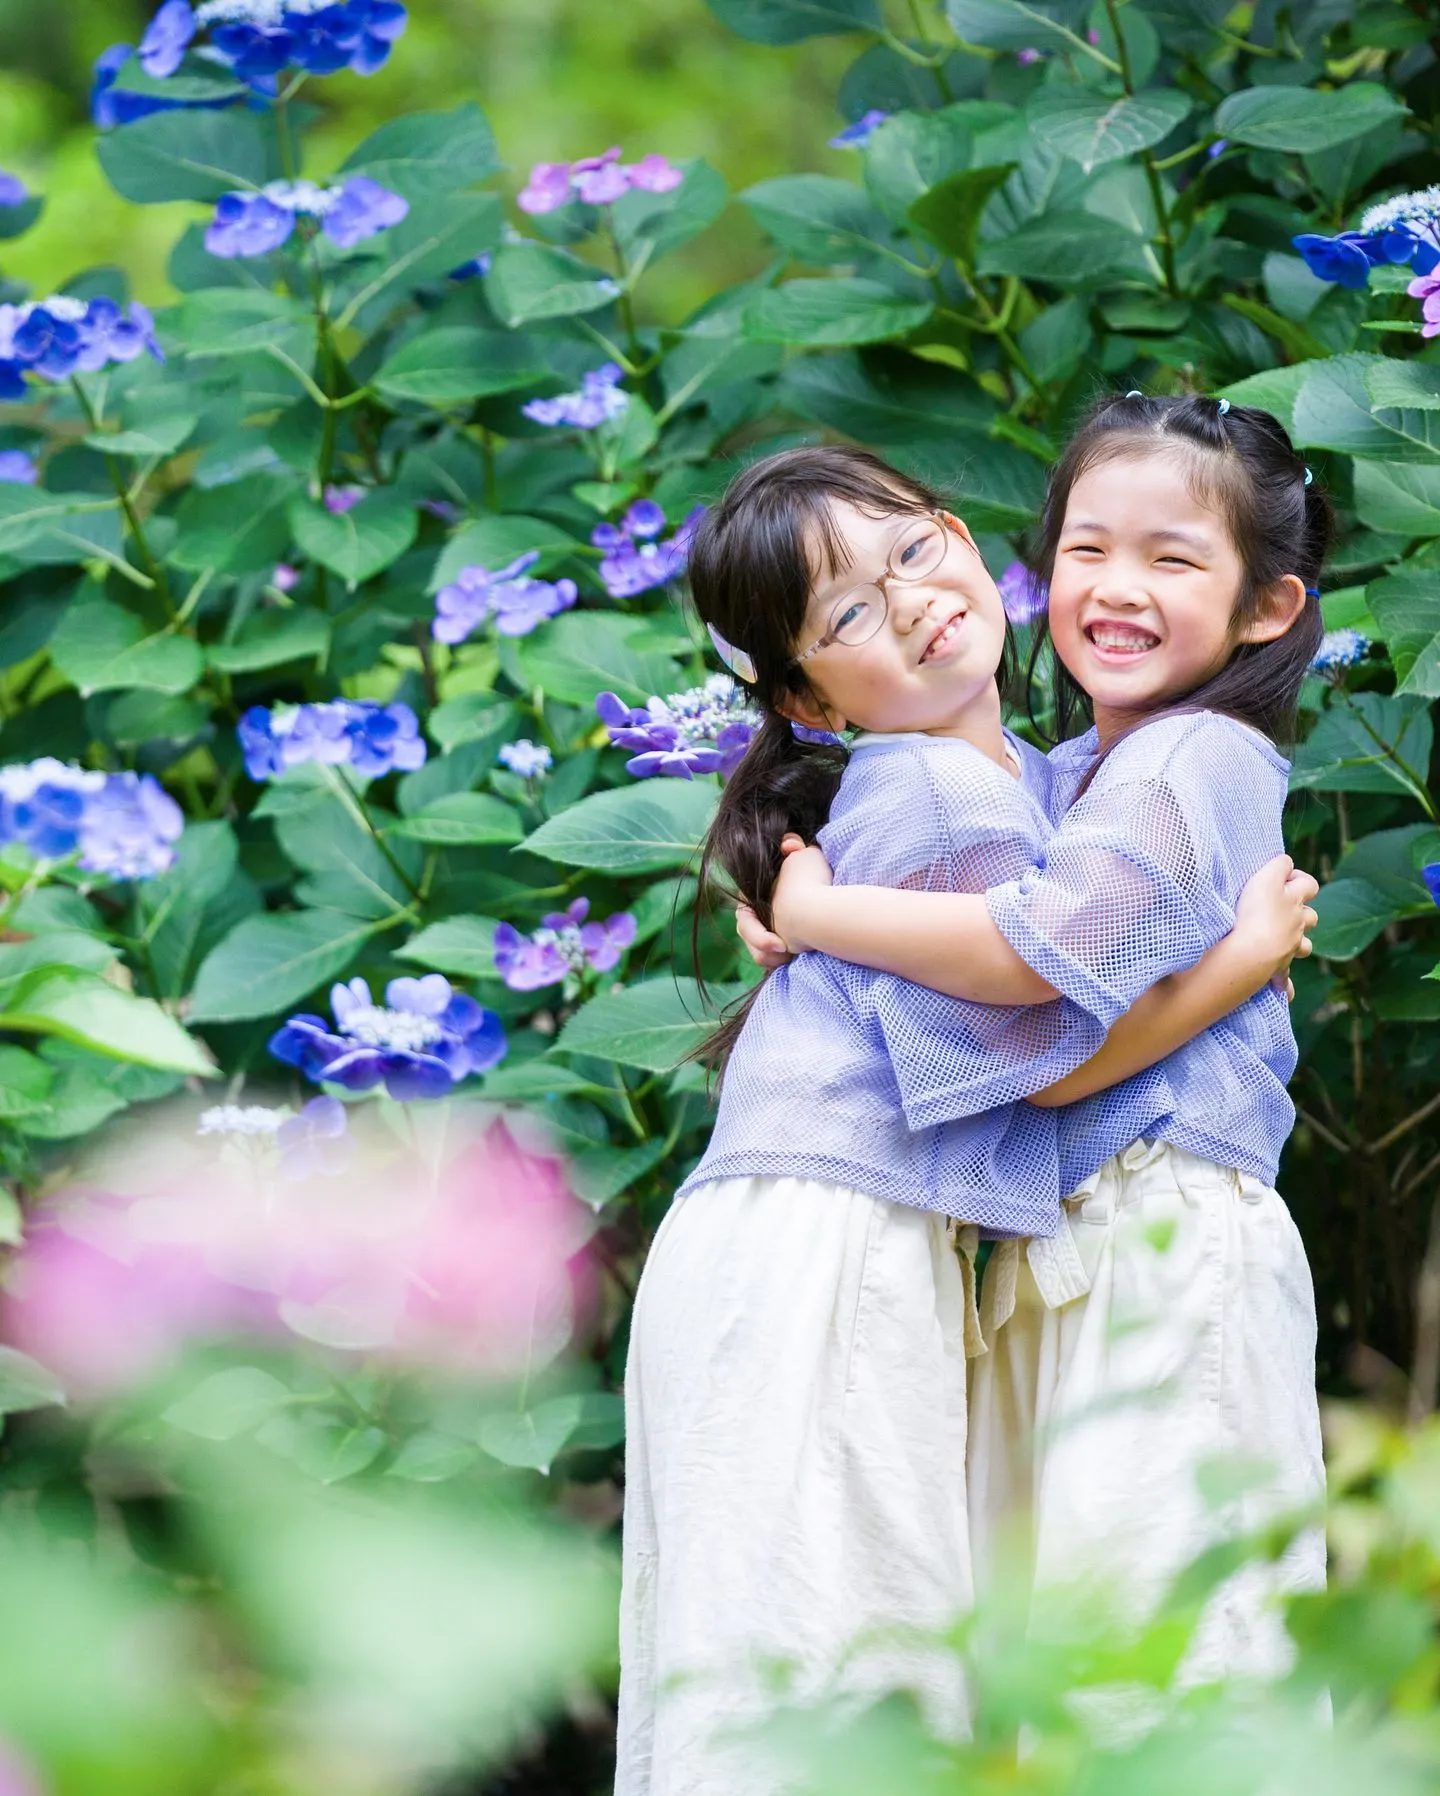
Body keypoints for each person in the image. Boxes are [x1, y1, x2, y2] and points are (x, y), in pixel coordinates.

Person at [617, 441, 1319, 1796]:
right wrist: (1241, 959)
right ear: (809, 693)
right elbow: (1041, 1024)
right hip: (827, 1243)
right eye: (849, 618)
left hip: (831, 1240)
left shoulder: (1046, 781)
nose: (913, 603)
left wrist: (805, 903)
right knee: (836, 1671)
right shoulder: (939, 788)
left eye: (914, 557)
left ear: (956, 531)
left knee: (820, 1663)